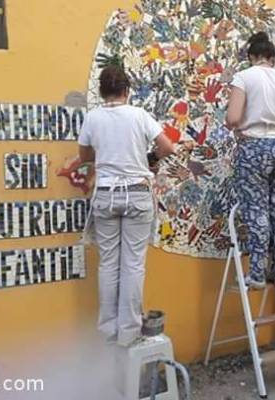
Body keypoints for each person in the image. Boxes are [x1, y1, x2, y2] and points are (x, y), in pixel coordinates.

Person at [78, 65, 174, 347]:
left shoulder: (93, 118)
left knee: (108, 263)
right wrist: (149, 159)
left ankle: (108, 328)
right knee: (132, 264)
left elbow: (84, 155)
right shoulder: (139, 115)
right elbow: (168, 147)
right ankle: (129, 331)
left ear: (102, 91)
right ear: (126, 91)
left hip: (106, 193)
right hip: (137, 193)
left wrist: (104, 155)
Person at [226, 31, 275, 289]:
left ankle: (257, 275)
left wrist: (240, 126)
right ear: (272, 57)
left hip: (253, 148)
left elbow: (233, 118)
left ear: (251, 56)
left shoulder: (244, 77)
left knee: (257, 210)